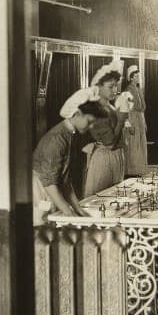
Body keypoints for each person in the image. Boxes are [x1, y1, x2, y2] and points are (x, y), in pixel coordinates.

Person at [33, 87, 109, 224]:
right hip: (41, 191)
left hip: (51, 189)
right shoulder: (56, 139)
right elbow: (49, 184)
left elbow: (65, 179)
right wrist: (69, 213)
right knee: (44, 228)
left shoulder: (68, 134)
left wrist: (78, 209)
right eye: (89, 122)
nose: (91, 127)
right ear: (76, 114)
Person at [82, 58, 132, 197]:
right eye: (111, 87)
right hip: (104, 159)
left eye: (116, 86)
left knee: (115, 197)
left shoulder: (109, 106)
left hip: (115, 156)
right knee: (100, 198)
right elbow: (110, 144)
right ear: (98, 87)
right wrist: (121, 120)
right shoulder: (96, 110)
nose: (115, 90)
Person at [123, 64, 150, 175]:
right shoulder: (128, 90)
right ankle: (132, 171)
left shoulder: (138, 89)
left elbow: (142, 109)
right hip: (133, 119)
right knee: (134, 146)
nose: (138, 78)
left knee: (141, 145)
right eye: (136, 76)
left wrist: (144, 122)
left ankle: (140, 170)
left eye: (139, 76)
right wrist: (129, 125)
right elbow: (126, 110)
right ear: (131, 78)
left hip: (140, 119)